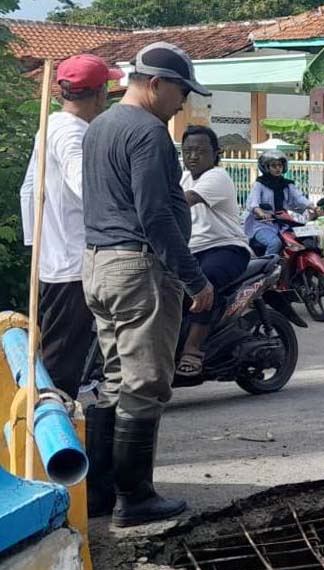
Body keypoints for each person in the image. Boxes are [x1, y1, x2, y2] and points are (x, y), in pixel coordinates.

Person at [81, 41, 213, 527]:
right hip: (138, 270)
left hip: (98, 265)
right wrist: (194, 277)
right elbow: (155, 215)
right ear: (155, 84)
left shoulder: (101, 126)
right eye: (181, 91)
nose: (184, 103)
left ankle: (98, 492)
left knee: (115, 379)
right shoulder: (148, 134)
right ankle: (134, 498)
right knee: (146, 384)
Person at [19, 55, 123, 400]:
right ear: (98, 94)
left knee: (60, 351)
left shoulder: (50, 125)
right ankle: (53, 435)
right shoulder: (75, 134)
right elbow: (87, 186)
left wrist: (38, 245)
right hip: (74, 262)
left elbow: (29, 191)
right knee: (63, 358)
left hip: (54, 258)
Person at [177, 125, 251, 377]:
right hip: (192, 250)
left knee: (202, 283)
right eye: (187, 151)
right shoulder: (184, 177)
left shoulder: (217, 177)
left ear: (216, 154)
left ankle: (192, 350)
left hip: (226, 247)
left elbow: (181, 201)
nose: (193, 156)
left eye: (200, 151)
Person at [243, 150, 323, 255]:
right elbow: (253, 203)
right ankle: (267, 268)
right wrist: (261, 213)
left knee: (307, 239)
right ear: (267, 167)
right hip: (263, 224)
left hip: (283, 223)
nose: (277, 168)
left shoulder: (287, 184)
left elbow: (299, 198)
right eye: (273, 166)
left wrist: (314, 208)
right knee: (275, 244)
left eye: (280, 165)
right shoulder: (260, 184)